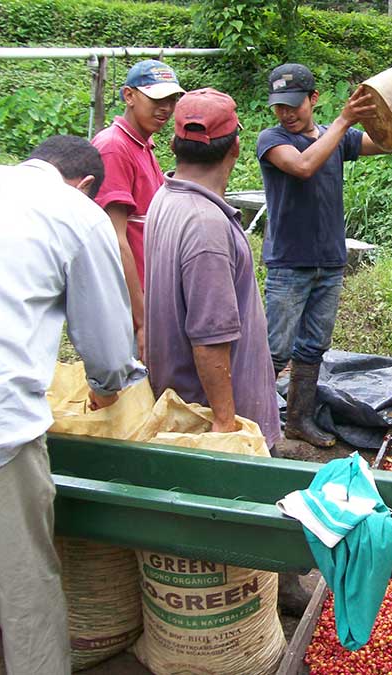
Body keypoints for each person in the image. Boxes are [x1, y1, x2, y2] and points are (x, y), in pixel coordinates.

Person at [0, 135, 145, 674]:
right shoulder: (77, 214)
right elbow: (108, 353)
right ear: (85, 184)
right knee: (25, 586)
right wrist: (106, 388)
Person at [257, 64, 392, 448]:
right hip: (289, 263)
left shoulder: (338, 139)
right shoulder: (272, 139)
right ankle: (255, 421)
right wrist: (344, 120)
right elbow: (302, 166)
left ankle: (298, 420)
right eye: (279, 106)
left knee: (313, 346)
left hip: (329, 262)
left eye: (293, 105)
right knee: (275, 349)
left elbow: (386, 143)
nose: (286, 114)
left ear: (313, 99)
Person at [143, 88, 280, 449]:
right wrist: (225, 424)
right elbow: (210, 338)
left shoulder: (165, 196)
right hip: (213, 418)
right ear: (235, 148)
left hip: (182, 403)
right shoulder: (206, 225)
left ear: (173, 145)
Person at [92, 59, 185, 360]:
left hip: (149, 292)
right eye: (156, 99)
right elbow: (115, 239)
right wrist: (142, 321)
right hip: (128, 302)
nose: (166, 109)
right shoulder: (114, 147)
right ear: (129, 96)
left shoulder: (143, 145)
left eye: (171, 100)